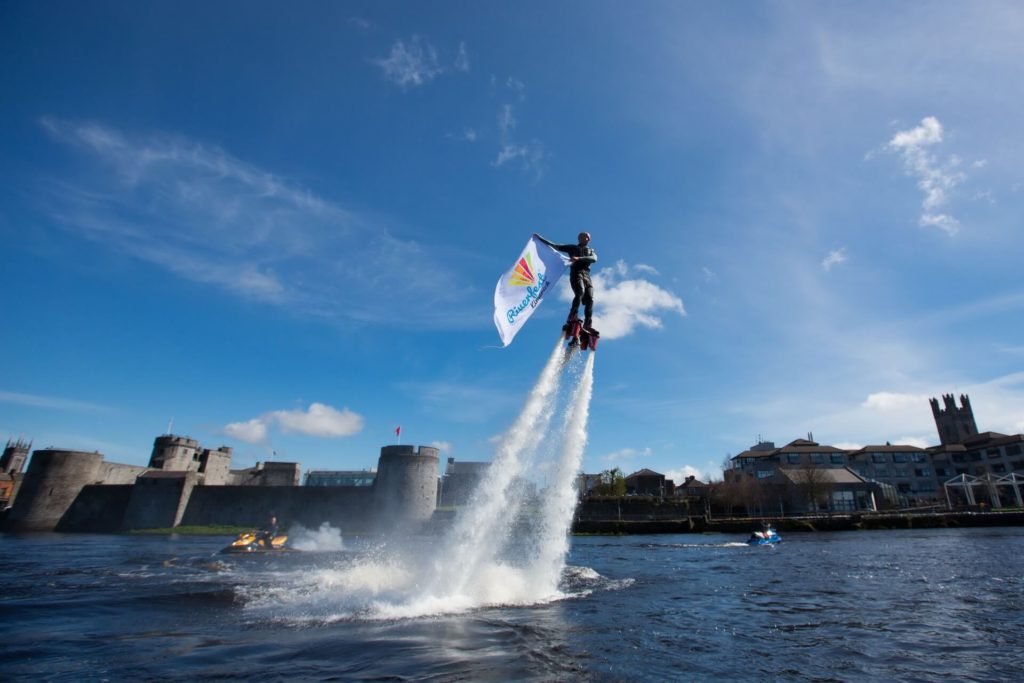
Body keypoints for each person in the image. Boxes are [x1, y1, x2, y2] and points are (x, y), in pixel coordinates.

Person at [534, 231, 598, 329]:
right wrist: (540, 239)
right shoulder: (572, 248)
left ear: (588, 239)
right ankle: (573, 314)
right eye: (582, 237)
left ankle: (588, 322)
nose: (584, 238)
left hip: (586, 274)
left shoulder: (591, 251)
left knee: (590, 297)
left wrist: (579, 258)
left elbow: (593, 259)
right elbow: (555, 246)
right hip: (576, 273)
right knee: (580, 292)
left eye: (586, 237)